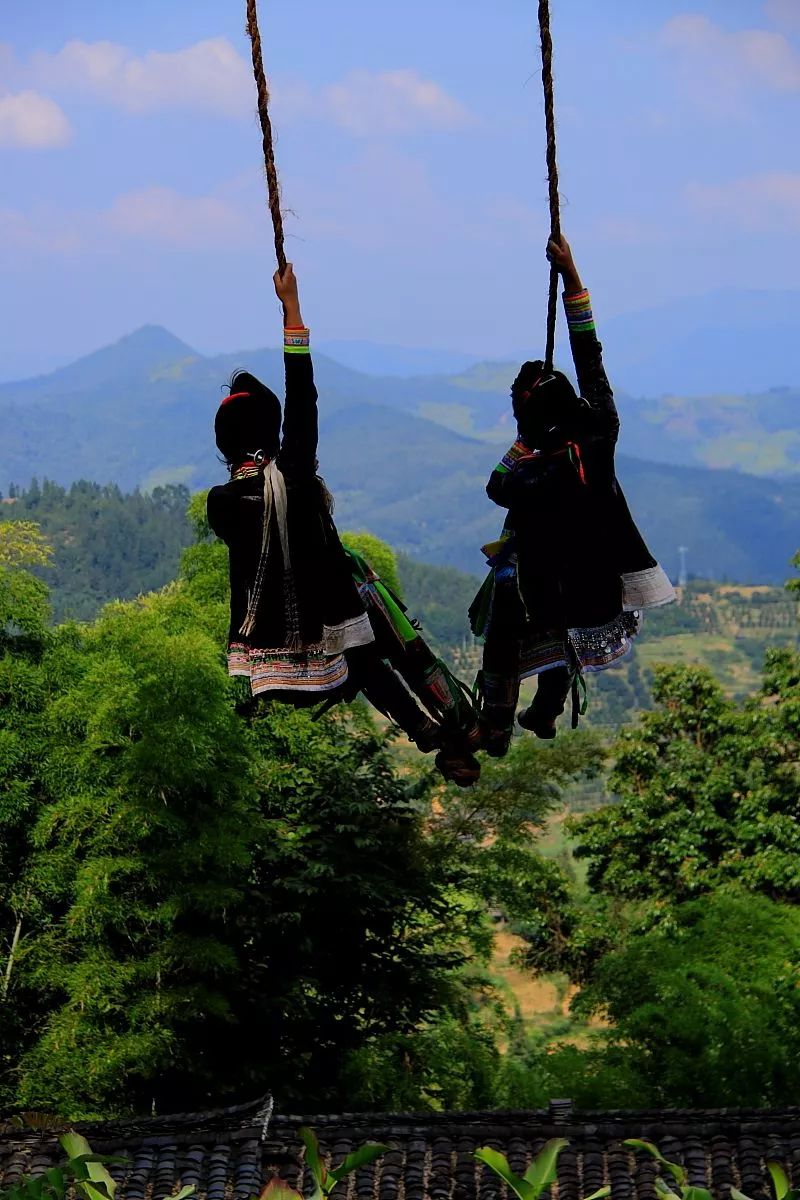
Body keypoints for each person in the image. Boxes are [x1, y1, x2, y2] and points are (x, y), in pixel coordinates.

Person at [207, 264, 480, 786]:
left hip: (267, 670)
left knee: (367, 656)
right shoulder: (296, 477)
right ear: (275, 431)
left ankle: (434, 735)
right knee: (379, 637)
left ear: (224, 445)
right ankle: (453, 728)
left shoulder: (221, 503)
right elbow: (304, 399)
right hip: (327, 651)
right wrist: (292, 310)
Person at [472, 235, 675, 756]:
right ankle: (545, 708)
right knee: (566, 629)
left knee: (507, 625)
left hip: (545, 590)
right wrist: (572, 276)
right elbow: (590, 355)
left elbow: (496, 486)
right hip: (596, 584)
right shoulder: (601, 432)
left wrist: (523, 442)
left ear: (530, 422)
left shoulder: (532, 473)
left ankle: (495, 725)